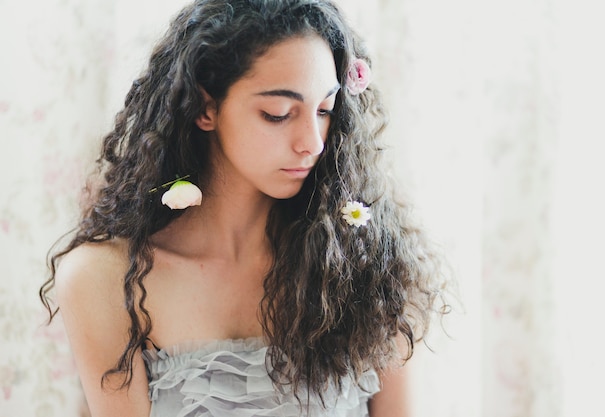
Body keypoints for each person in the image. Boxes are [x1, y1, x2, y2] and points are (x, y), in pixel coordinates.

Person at [40, 0, 447, 416]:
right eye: (278, 114)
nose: (313, 142)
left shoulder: (365, 262)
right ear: (205, 107)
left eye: (324, 110)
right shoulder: (106, 278)